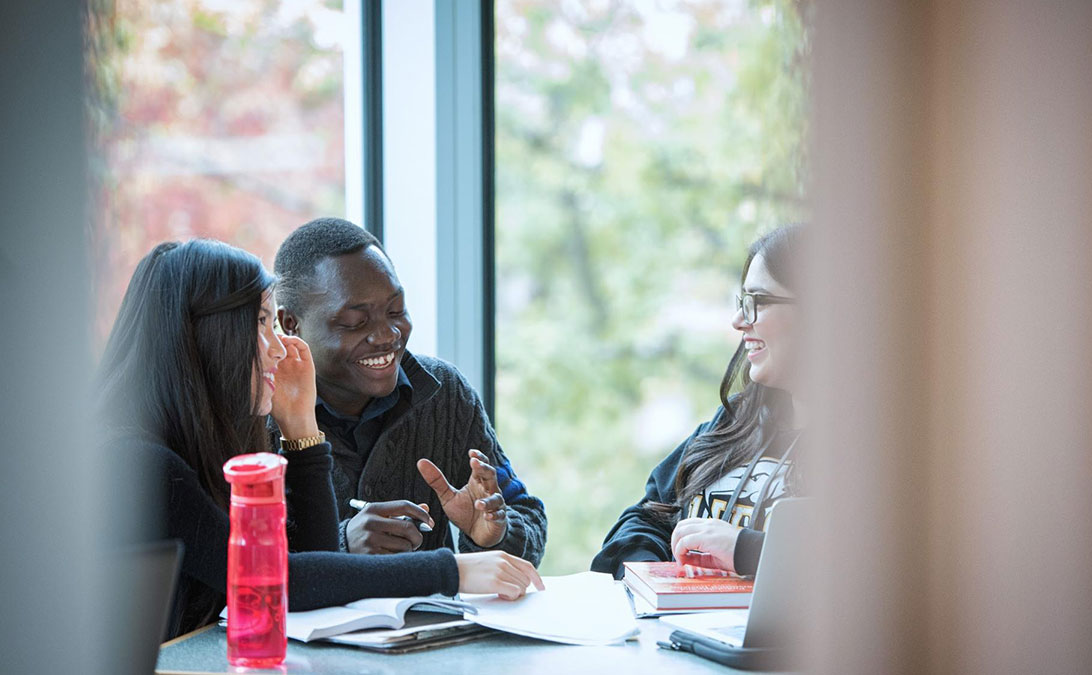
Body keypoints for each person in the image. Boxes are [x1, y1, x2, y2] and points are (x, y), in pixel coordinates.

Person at [101, 240, 542, 639]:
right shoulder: (137, 461)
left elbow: (304, 591)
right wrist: (450, 570)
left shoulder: (223, 435)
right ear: (207, 338)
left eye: (395, 311)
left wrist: (302, 433)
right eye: (260, 323)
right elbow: (278, 581)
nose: (276, 347)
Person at [272, 218, 547, 565]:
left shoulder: (443, 394)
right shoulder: (255, 413)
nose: (387, 335)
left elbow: (527, 514)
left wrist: (495, 533)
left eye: (395, 310)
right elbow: (231, 570)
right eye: (356, 322)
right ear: (290, 324)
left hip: (432, 621)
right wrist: (343, 545)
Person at [591, 225, 804, 578]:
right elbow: (645, 517)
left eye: (759, 302)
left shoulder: (875, 451)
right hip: (681, 631)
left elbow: (869, 567)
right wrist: (658, 576)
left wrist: (744, 550)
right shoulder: (736, 421)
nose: (739, 321)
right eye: (742, 302)